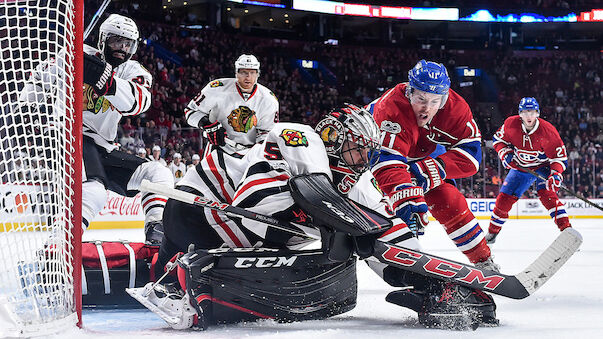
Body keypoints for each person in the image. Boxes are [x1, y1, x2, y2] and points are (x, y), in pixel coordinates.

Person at [135, 104, 496, 330]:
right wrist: (347, 225)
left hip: (238, 227)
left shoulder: (351, 181)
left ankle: (170, 275)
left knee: (350, 237)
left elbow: (386, 233)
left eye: (368, 153)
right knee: (339, 229)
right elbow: (256, 204)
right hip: (196, 211)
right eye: (358, 148)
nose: (363, 160)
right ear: (335, 137)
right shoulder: (303, 138)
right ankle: (183, 279)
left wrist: (429, 279)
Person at [20, 14, 173, 243]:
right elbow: (39, 79)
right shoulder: (76, 55)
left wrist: (106, 81)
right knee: (94, 189)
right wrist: (31, 107)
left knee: (157, 173)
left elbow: (139, 102)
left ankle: (156, 232)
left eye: (127, 44)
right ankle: (59, 243)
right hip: (67, 134)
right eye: (115, 41)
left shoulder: (133, 70)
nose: (121, 48)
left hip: (101, 145)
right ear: (102, 39)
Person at [368, 60, 498, 271]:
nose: (426, 108)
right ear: (409, 92)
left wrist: (434, 168)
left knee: (449, 199)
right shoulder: (390, 107)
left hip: (420, 156)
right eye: (421, 99)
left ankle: (484, 260)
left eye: (434, 101)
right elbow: (386, 159)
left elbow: (472, 156)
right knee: (382, 209)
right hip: (370, 157)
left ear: (444, 98)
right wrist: (406, 194)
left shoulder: (456, 109)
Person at [176, 54, 278, 209]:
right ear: (236, 72)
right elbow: (190, 112)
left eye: (252, 72)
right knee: (205, 190)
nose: (248, 76)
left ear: (258, 73)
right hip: (218, 148)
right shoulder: (216, 88)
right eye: (243, 72)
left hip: (249, 154)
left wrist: (260, 155)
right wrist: (207, 124)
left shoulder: (268, 99)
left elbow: (266, 134)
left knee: (240, 197)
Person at [486, 97, 570, 243]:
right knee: (503, 200)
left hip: (544, 167)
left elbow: (559, 158)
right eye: (525, 112)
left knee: (547, 194)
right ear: (520, 114)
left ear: (537, 113)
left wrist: (556, 175)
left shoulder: (548, 131)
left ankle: (567, 230)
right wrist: (505, 154)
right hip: (521, 167)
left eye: (531, 112)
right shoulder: (511, 124)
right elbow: (498, 140)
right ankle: (492, 234)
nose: (528, 116)